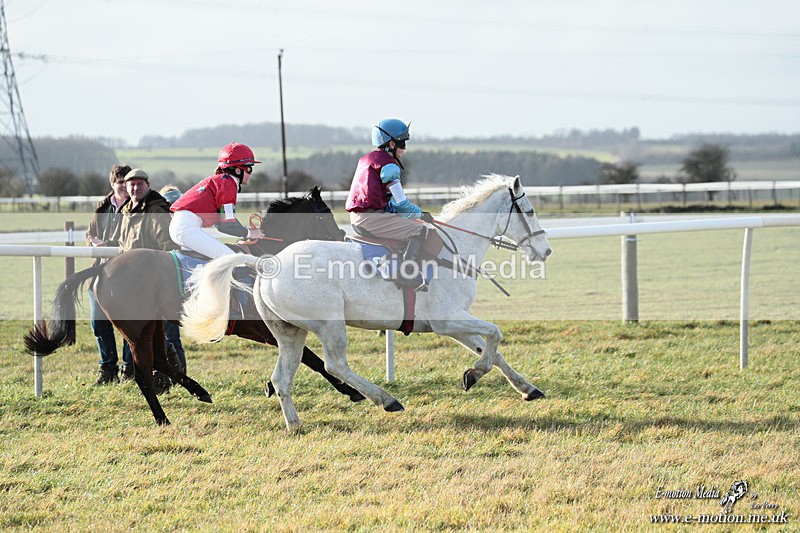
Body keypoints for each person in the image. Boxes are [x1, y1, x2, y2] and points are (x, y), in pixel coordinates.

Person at [345, 118, 438, 291]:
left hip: (359, 216)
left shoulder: (367, 159)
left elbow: (387, 201)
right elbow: (401, 203)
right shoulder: (389, 166)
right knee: (419, 230)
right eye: (402, 143)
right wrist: (420, 214)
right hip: (370, 219)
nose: (404, 148)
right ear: (391, 144)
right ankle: (407, 273)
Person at [117, 168, 185, 388]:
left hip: (156, 283)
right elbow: (124, 247)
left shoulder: (155, 210)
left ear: (148, 185)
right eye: (132, 184)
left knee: (166, 334)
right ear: (126, 188)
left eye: (140, 184)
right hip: (134, 283)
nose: (135, 188)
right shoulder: (126, 211)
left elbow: (167, 247)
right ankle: (149, 376)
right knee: (142, 334)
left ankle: (176, 377)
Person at [169, 142, 264, 260]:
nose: (250, 173)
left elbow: (222, 222)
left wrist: (246, 230)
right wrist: (250, 233)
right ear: (238, 170)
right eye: (249, 168)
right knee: (232, 260)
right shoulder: (228, 183)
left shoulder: (221, 181)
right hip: (186, 229)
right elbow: (226, 225)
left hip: (181, 227)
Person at [86, 164, 134, 384]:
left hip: (125, 273)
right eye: (120, 182)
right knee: (99, 322)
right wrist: (92, 241)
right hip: (100, 272)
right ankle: (108, 369)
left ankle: (129, 369)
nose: (124, 186)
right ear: (112, 184)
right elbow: (90, 232)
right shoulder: (102, 206)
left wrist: (111, 245)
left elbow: (132, 238)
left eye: (127, 182)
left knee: (127, 323)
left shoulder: (137, 207)